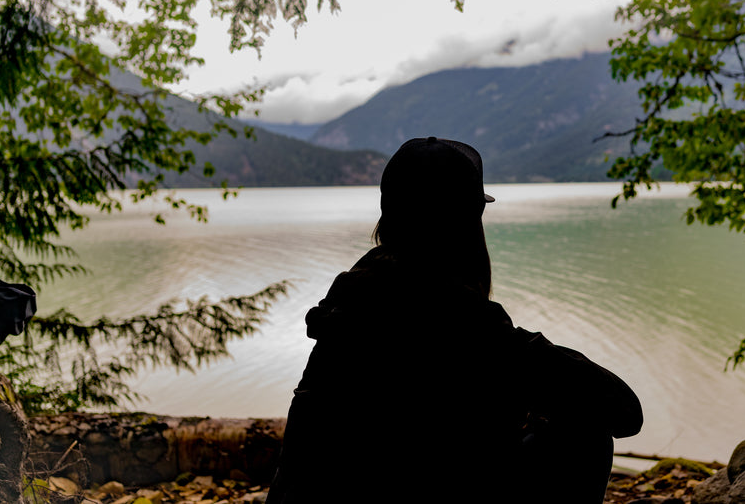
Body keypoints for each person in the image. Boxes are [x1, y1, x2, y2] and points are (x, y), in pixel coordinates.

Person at [266, 137, 642, 504]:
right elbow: (624, 412)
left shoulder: (347, 308)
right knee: (585, 436)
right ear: (466, 229)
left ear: (389, 220)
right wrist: (534, 378)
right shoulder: (467, 323)